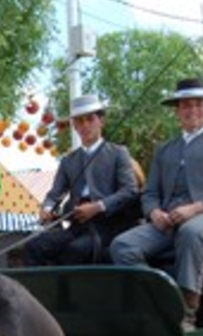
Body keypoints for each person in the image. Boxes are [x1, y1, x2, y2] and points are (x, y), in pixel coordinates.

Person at [109, 77, 203, 331]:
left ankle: (186, 313)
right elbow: (150, 192)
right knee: (122, 245)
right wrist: (154, 213)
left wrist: (195, 208)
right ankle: (159, 300)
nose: (192, 110)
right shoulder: (166, 149)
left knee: (191, 232)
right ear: (178, 111)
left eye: (198, 104)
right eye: (186, 106)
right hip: (167, 221)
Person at [24, 94, 139, 265]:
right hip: (77, 226)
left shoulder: (118, 153)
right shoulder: (68, 161)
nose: (85, 125)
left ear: (101, 121)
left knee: (76, 250)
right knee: (34, 245)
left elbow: (130, 191)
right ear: (74, 126)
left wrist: (98, 207)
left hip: (108, 226)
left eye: (90, 119)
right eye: (79, 121)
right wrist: (47, 208)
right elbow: (54, 194)